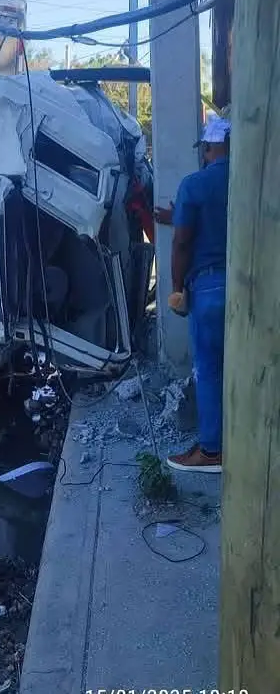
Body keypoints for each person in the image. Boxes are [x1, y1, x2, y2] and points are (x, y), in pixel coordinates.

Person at [153, 114, 230, 473]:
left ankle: (212, 451)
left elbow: (183, 242)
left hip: (211, 288)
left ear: (212, 148)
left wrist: (177, 288)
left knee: (210, 369)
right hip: (253, 285)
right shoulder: (255, 176)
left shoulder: (195, 185)